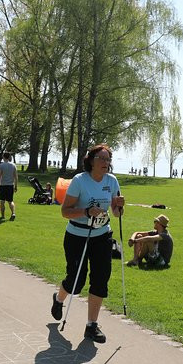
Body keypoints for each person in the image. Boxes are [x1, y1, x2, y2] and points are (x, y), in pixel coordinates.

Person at [49, 143, 124, 344]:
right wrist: (86, 212)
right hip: (77, 236)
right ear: (91, 161)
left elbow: (116, 213)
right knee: (75, 281)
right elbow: (65, 211)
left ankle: (91, 325)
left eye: (108, 159)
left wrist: (118, 207)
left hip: (102, 236)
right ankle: (58, 300)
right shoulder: (80, 181)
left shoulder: (112, 181)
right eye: (102, 159)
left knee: (100, 278)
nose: (106, 163)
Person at [0, 151, 18, 221]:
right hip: (10, 185)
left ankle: (3, 216)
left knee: (2, 201)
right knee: (10, 201)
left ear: (3, 157)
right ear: (9, 157)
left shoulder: (1, 165)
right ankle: (13, 213)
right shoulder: (13, 165)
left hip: (3, 185)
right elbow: (16, 177)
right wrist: (16, 186)